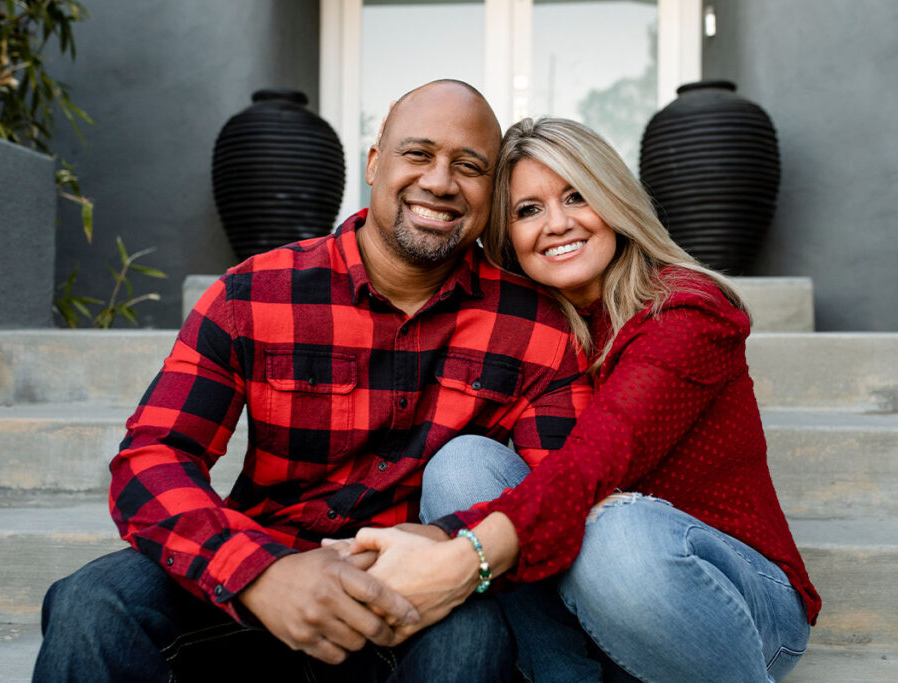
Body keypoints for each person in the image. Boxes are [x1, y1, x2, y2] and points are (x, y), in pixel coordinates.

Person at [32, 83, 593, 682]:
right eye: (418, 154)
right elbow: (153, 457)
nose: (440, 181)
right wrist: (258, 571)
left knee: (475, 637)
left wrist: (442, 539)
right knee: (93, 601)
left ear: (491, 192)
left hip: (407, 596)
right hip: (256, 575)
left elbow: (566, 488)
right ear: (375, 164)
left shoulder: (535, 325)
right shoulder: (254, 292)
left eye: (469, 166)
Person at [349, 117, 822, 682]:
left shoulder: (686, 311)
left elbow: (596, 460)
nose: (556, 224)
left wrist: (452, 543)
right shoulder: (535, 326)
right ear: (507, 236)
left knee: (615, 531)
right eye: (528, 210)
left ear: (613, 200)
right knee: (463, 464)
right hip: (594, 601)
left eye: (577, 196)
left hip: (731, 597)